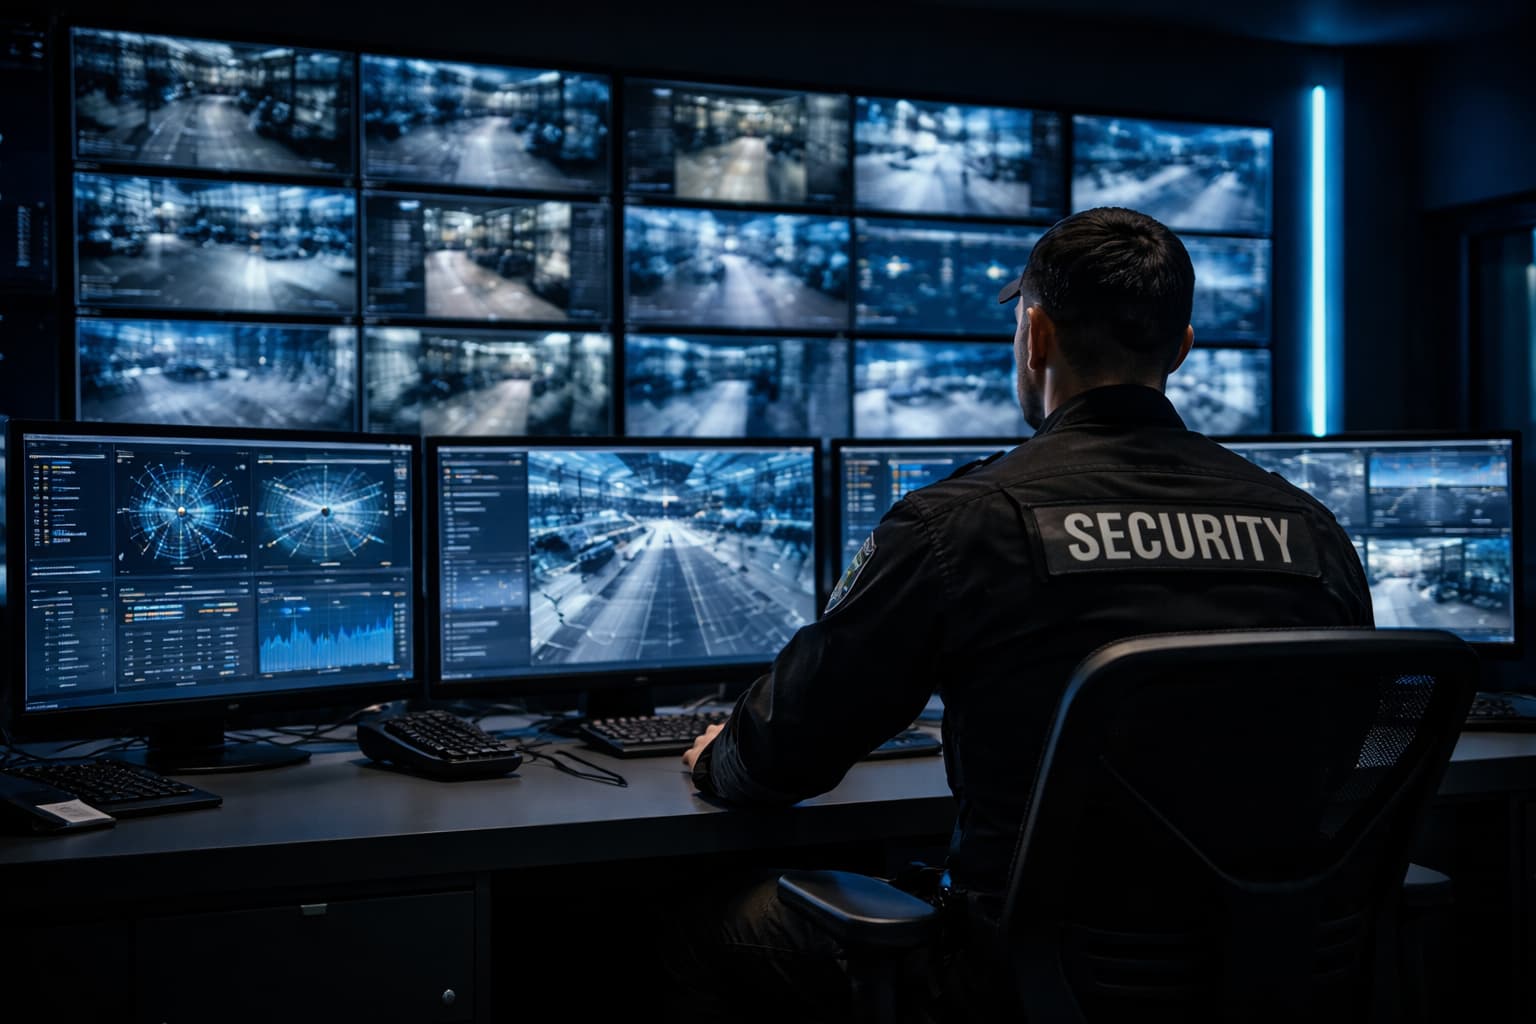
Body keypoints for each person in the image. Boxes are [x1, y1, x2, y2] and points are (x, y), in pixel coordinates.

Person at [668, 206, 1374, 1019]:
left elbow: (787, 754)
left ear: (1034, 336)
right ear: (1181, 348)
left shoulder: (961, 523)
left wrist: (721, 757)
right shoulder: (1310, 529)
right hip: (1265, 962)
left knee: (693, 925)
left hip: (1021, 976)